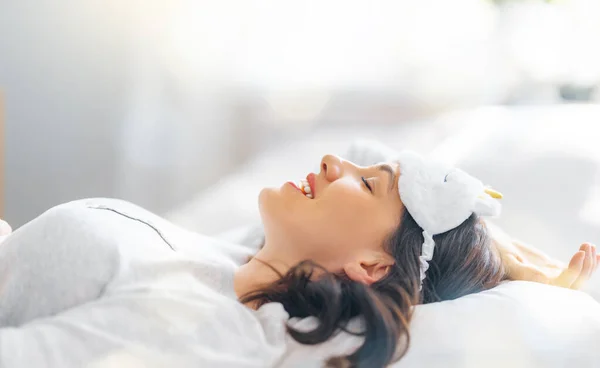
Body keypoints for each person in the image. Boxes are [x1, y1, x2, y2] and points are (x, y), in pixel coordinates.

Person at [0, 153, 597, 368]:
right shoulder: (242, 253)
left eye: (366, 186)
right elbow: (375, 155)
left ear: (370, 267)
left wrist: (472, 247)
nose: (336, 161)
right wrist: (500, 251)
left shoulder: (209, 325)